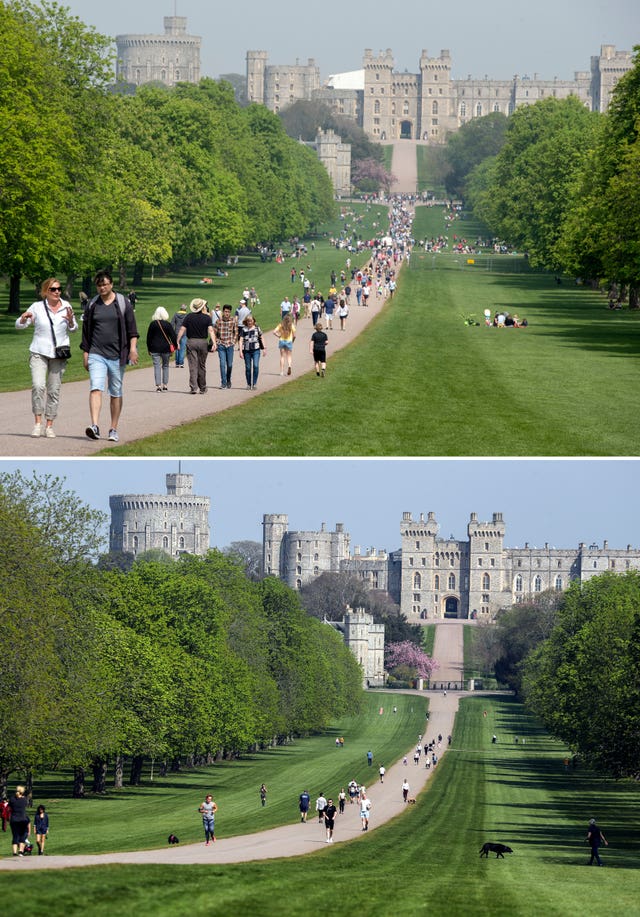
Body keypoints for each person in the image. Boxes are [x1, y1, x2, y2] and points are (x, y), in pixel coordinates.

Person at [15, 277, 78, 438]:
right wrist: (22, 319)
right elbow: (20, 325)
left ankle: (49, 425)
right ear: (45, 291)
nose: (57, 292)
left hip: (59, 354)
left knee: (54, 390)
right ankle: (37, 423)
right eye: (53, 289)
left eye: (59, 289)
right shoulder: (37, 307)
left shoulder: (66, 306)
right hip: (39, 351)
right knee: (38, 385)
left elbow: (74, 329)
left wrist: (71, 322)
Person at [81, 269, 139, 443]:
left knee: (115, 392)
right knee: (96, 387)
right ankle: (95, 426)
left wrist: (133, 349)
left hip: (117, 355)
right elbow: (86, 333)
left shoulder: (123, 303)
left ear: (111, 284)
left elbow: (132, 330)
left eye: (105, 284)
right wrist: (86, 353)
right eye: (99, 285)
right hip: (96, 353)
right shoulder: (92, 305)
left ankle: (113, 428)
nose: (102, 288)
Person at [177, 298, 215, 395]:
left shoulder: (189, 316)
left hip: (191, 342)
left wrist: (177, 340)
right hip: (203, 342)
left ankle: (193, 387)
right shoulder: (207, 318)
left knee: (193, 365)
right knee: (201, 366)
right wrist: (214, 342)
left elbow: (182, 329)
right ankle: (202, 387)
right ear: (202, 307)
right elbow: (211, 330)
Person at [146, 307, 177, 392]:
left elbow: (149, 337)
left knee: (157, 366)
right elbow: (173, 336)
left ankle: (158, 386)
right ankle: (165, 385)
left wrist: (149, 348)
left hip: (154, 348)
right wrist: (175, 346)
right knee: (165, 366)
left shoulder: (153, 324)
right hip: (166, 348)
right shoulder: (167, 324)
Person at [214, 304, 238, 389]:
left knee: (230, 365)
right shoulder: (218, 321)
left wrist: (233, 342)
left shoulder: (233, 321)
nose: (226, 313)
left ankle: (228, 379)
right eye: (225, 311)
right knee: (222, 364)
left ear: (230, 312)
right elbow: (214, 333)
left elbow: (236, 333)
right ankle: (223, 382)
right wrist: (217, 342)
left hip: (230, 345)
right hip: (221, 345)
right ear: (223, 312)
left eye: (228, 312)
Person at [239, 315, 265, 390]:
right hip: (246, 351)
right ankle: (248, 384)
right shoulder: (244, 329)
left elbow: (262, 337)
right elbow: (240, 340)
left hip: (256, 350)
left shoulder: (257, 328)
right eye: (248, 321)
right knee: (248, 368)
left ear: (253, 321)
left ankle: (254, 383)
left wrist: (264, 348)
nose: (249, 322)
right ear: (246, 322)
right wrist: (240, 351)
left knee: (256, 366)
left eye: (251, 321)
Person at [9, 785, 30, 856]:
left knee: (15, 836)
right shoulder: (24, 800)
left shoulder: (12, 799)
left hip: (14, 819)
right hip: (22, 819)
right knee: (22, 835)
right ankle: (20, 851)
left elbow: (9, 807)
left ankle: (14, 852)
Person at [171, 304, 188, 368]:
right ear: (185, 309)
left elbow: (172, 324)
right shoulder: (187, 315)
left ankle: (177, 362)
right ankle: (181, 362)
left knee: (177, 348)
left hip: (176, 333)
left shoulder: (176, 315)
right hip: (184, 333)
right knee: (182, 348)